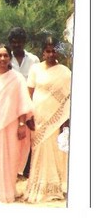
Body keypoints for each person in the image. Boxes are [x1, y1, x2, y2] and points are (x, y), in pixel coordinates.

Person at [0, 44, 33, 203]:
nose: (2, 59)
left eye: (5, 56)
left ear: (10, 58)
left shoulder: (17, 78)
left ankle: (8, 190)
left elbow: (23, 103)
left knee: (11, 156)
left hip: (12, 122)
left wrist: (22, 125)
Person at [24, 36, 72, 203]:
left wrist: (65, 120)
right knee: (38, 150)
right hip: (38, 116)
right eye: (48, 51)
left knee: (54, 151)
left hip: (56, 119)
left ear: (58, 52)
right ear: (43, 53)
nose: (51, 54)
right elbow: (29, 94)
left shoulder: (65, 72)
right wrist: (28, 115)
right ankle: (36, 186)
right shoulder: (35, 69)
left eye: (54, 51)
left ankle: (53, 187)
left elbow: (68, 98)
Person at [7, 26, 40, 177]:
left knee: (29, 135)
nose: (16, 45)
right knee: (12, 135)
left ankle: (27, 168)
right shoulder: (6, 59)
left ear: (24, 42)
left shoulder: (34, 60)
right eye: (13, 42)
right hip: (11, 103)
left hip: (30, 102)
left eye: (19, 42)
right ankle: (13, 168)